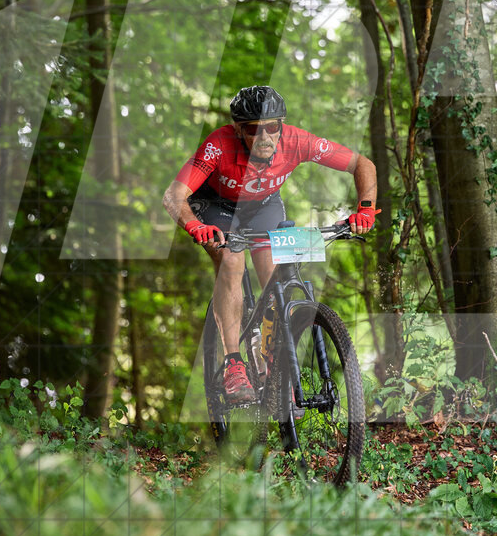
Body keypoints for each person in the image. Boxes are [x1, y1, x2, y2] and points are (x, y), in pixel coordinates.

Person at [162, 86, 378, 404]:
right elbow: (173, 195)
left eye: (272, 127)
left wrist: (366, 209)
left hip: (264, 205)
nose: (264, 137)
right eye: (253, 129)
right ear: (239, 129)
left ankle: (269, 359)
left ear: (282, 124)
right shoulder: (218, 145)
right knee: (232, 261)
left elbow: (362, 164)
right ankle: (234, 364)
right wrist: (196, 226)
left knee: (275, 275)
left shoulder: (297, 141)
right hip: (217, 207)